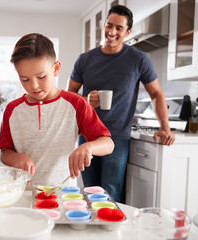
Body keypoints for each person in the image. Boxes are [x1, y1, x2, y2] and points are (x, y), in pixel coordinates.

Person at [67, 5, 175, 203]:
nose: (112, 32)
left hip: (118, 138)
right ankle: (90, 231)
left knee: (110, 192)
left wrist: (165, 128)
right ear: (104, 25)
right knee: (89, 191)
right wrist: (85, 100)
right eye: (109, 25)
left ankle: (107, 231)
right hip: (88, 136)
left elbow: (156, 93)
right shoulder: (84, 59)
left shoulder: (139, 59)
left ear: (128, 32)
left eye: (119, 28)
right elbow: (70, 93)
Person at [0, 33, 114, 188]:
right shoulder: (13, 110)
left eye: (41, 76)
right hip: (23, 193)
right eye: (25, 79)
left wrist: (88, 147)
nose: (34, 86)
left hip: (64, 195)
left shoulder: (76, 104)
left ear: (56, 68)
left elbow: (108, 144)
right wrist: (17, 158)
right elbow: (5, 153)